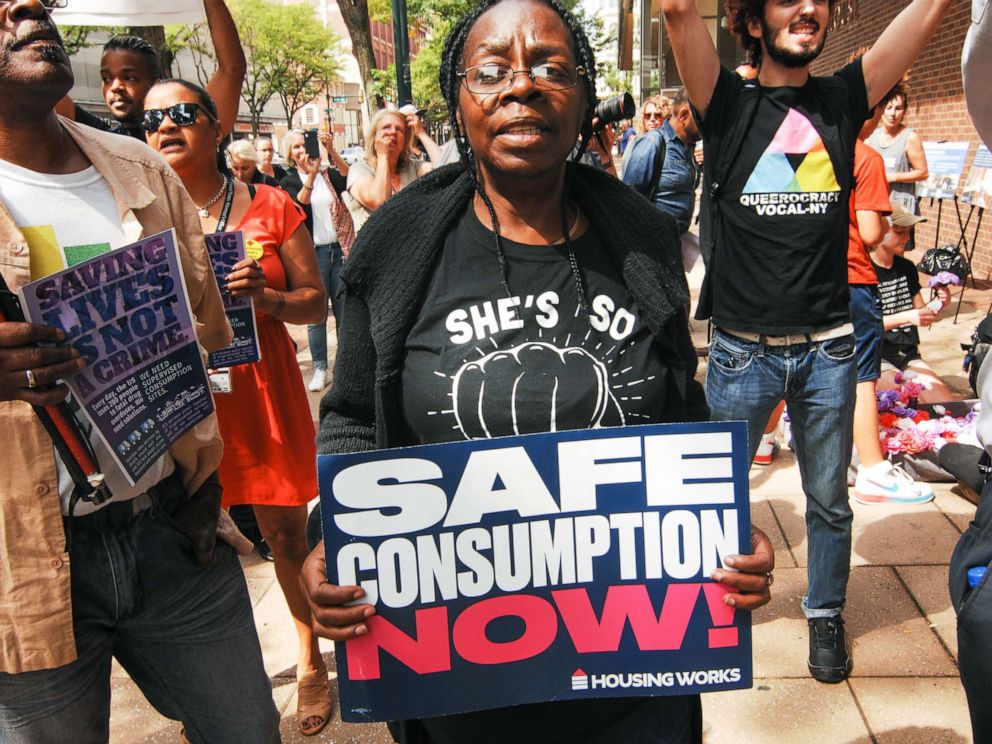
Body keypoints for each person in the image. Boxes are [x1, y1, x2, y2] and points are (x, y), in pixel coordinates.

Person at [300, 1, 775, 742]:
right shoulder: (395, 250)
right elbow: (354, 418)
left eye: (552, 68)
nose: (521, 87)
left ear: (584, 97)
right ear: (458, 102)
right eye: (490, 72)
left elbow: (684, 415)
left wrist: (728, 537)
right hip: (459, 687)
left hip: (634, 683)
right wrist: (327, 539)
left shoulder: (644, 243)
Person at [0, 4, 279, 742]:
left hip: (173, 533)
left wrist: (202, 483)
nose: (24, 7)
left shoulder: (143, 168)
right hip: (21, 572)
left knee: (248, 732)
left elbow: (207, 333)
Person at [662, 0, 952, 684]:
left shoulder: (842, 99)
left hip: (829, 350)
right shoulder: (727, 104)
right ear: (753, 22)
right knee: (711, 495)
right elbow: (675, 11)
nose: (811, 7)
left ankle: (825, 613)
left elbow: (920, 22)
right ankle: (707, 605)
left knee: (829, 499)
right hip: (741, 353)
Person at [143, 78, 334, 736]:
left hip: (260, 395)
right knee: (192, 542)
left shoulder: (273, 206)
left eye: (182, 113)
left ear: (216, 126)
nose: (166, 126)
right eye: (152, 119)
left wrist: (270, 301)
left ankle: (310, 661)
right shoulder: (136, 219)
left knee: (283, 536)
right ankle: (219, 681)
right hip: (182, 403)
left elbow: (316, 303)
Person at [850, 87, 933, 505]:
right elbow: (869, 233)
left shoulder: (801, 145)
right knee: (863, 377)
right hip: (852, 274)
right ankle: (872, 470)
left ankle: (764, 442)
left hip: (802, 281)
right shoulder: (864, 156)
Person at [58, 0, 244, 141]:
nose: (116, 87)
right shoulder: (98, 139)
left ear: (156, 85)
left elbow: (232, 70)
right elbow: (45, 93)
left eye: (130, 78)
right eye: (107, 78)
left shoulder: (188, 133)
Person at [280, 129, 356, 392]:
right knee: (317, 315)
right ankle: (320, 367)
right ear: (289, 154)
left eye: (305, 145)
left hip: (340, 250)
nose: (302, 151)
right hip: (312, 254)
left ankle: (346, 366)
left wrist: (331, 150)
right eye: (296, 148)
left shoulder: (328, 176)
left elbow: (349, 177)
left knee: (345, 311)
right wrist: (310, 175)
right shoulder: (288, 181)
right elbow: (299, 207)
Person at [871, 205, 953, 404]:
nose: (907, 237)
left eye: (909, 231)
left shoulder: (906, 267)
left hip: (907, 353)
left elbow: (921, 313)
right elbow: (862, 325)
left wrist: (940, 303)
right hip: (876, 356)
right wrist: (907, 317)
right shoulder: (863, 272)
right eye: (899, 231)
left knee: (944, 404)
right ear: (879, 231)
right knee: (905, 399)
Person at [622, 87, 701, 271]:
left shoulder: (687, 147)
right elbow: (628, 201)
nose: (706, 122)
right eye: (700, 117)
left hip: (674, 251)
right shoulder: (652, 142)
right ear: (683, 115)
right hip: (651, 255)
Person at [345, 108, 438, 230]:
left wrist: (421, 133)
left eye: (399, 129)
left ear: (405, 140)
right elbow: (378, 202)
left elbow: (445, 168)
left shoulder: (414, 168)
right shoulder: (359, 170)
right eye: (386, 127)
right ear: (374, 136)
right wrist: (383, 156)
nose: (393, 132)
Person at [866, 82, 928, 248]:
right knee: (875, 251)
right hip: (877, 204)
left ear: (905, 111)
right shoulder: (872, 136)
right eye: (889, 107)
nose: (893, 114)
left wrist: (893, 176)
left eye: (898, 108)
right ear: (881, 109)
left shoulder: (910, 137)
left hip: (900, 206)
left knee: (897, 252)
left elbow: (923, 173)